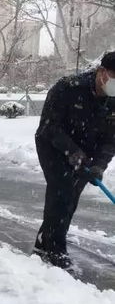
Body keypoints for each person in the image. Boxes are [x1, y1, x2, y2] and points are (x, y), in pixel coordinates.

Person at [34, 51, 115, 270]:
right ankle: (54, 250)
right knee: (61, 191)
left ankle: (44, 240)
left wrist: (99, 165)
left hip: (86, 153)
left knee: (70, 199)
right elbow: (50, 126)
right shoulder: (69, 87)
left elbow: (111, 139)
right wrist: (73, 152)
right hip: (53, 146)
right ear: (101, 73)